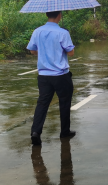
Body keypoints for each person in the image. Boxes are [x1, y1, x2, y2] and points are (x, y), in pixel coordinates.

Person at [27, 11, 76, 145]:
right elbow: (71, 53)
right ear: (60, 15)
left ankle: (35, 132)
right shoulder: (63, 33)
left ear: (47, 15)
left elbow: (32, 50)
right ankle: (64, 131)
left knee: (42, 103)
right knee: (64, 103)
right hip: (61, 75)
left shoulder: (37, 31)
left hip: (43, 76)